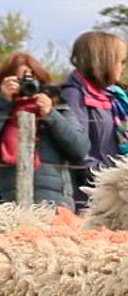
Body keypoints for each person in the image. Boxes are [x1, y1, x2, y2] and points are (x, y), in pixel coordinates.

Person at [56, 31, 128, 210]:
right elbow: (78, 151)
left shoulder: (111, 97)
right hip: (87, 197)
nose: (124, 67)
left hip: (112, 190)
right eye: (121, 61)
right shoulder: (75, 96)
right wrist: (112, 175)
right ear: (104, 61)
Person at [0, 52, 89, 208]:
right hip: (7, 206)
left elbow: (80, 149)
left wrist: (50, 114)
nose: (26, 87)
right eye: (19, 81)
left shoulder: (60, 109)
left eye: (32, 81)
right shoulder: (3, 111)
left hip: (54, 205)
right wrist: (4, 104)